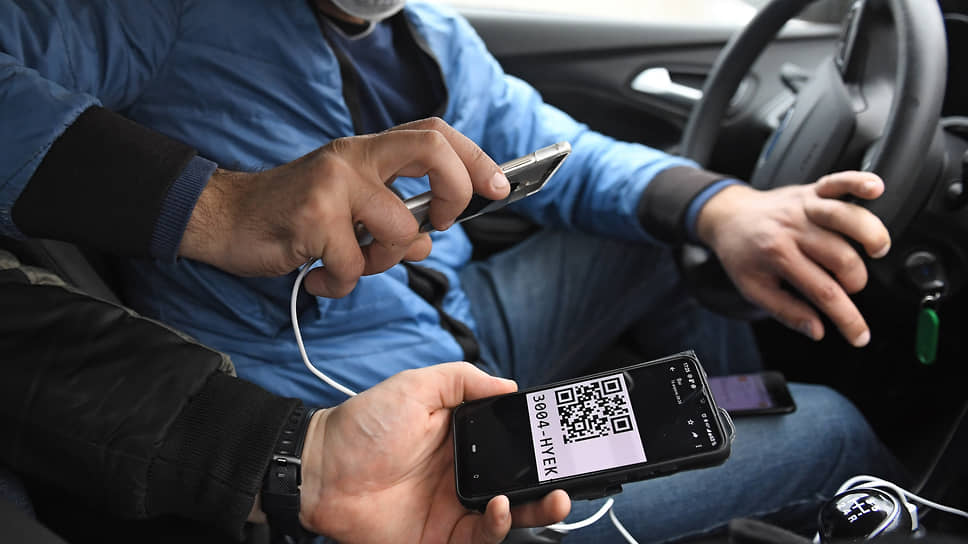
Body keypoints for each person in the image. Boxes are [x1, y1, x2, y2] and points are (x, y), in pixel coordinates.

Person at [0, 0, 901, 541]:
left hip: (462, 317)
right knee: (831, 427)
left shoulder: (432, 33)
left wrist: (721, 207)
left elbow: (563, 152)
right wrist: (219, 204)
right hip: (356, 405)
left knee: (662, 235)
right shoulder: (167, 12)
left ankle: (710, 424)